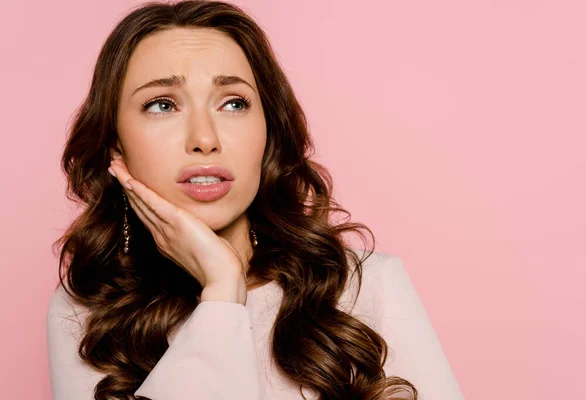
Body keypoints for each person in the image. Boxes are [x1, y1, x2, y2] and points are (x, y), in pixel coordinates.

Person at [46, 1, 464, 399]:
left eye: (233, 103)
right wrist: (222, 292)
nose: (205, 139)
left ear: (268, 133)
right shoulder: (86, 314)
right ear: (115, 146)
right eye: (162, 105)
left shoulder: (368, 286)